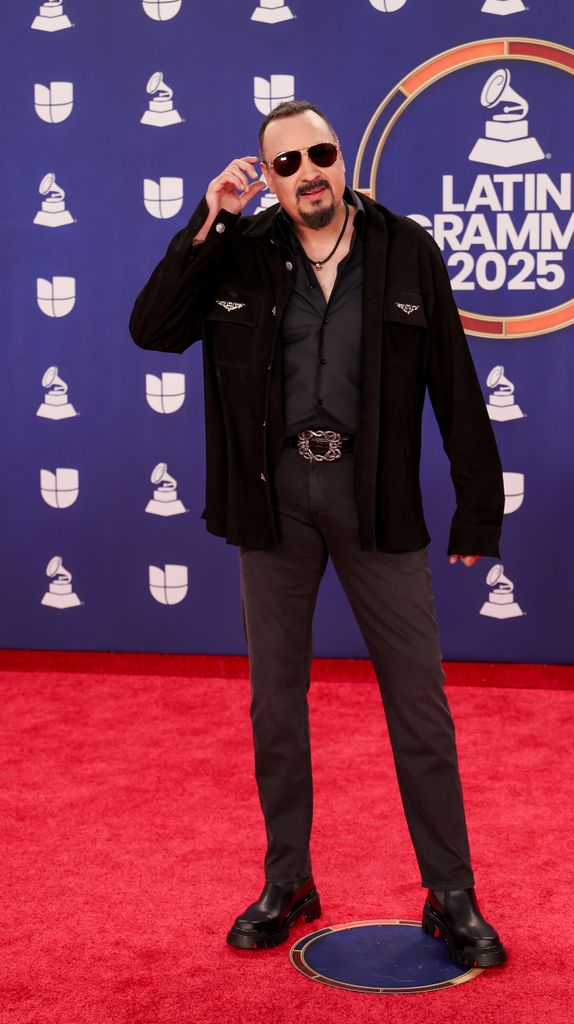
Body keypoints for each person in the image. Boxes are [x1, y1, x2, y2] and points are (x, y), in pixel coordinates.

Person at [129, 100, 507, 968]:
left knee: (418, 701)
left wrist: (477, 506)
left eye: (320, 154)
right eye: (286, 163)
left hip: (374, 499)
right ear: (273, 176)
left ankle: (452, 894)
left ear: (345, 160)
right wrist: (211, 214)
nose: (307, 173)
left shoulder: (405, 246)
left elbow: (455, 378)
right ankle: (288, 881)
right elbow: (152, 330)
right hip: (273, 502)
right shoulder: (241, 248)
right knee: (275, 704)